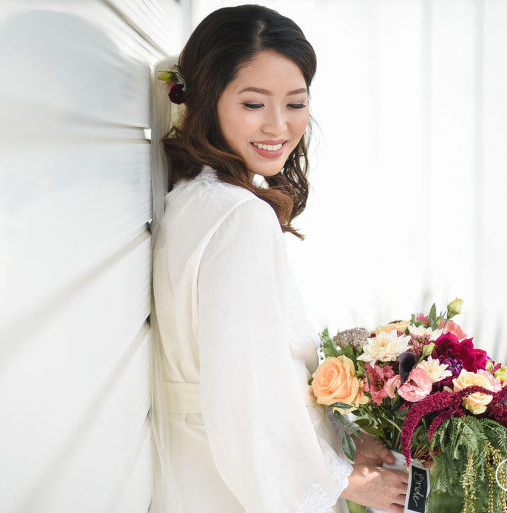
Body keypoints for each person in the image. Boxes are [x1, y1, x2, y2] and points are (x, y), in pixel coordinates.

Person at [148, 5, 411, 513]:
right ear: (206, 100)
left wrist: (345, 438)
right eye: (252, 103)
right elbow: (247, 395)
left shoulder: (194, 197)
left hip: (197, 466)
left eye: (295, 103)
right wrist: (347, 481)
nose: (278, 126)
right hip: (228, 482)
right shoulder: (239, 217)